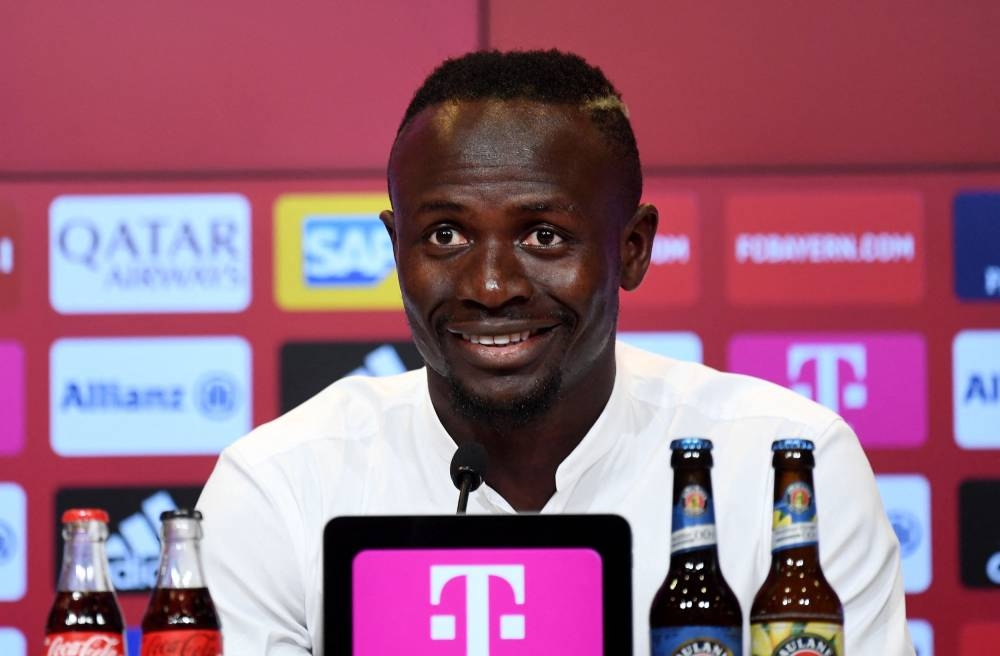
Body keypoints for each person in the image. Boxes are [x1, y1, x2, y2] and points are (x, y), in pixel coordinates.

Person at [196, 49, 912, 654]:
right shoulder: (279, 487)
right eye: (445, 235)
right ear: (395, 249)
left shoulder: (784, 465)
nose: (491, 285)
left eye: (544, 236)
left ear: (632, 250)